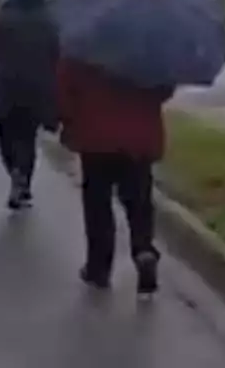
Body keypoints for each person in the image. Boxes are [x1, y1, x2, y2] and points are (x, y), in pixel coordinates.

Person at [56, 57, 170, 297]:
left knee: (98, 202)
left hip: (96, 136)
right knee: (139, 198)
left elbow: (64, 89)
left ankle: (98, 268)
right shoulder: (149, 50)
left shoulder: (85, 48)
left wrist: (67, 118)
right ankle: (143, 249)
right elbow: (164, 90)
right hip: (139, 137)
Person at [0, 0, 58, 210]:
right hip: (37, 87)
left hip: (6, 86)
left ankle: (15, 171)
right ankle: (22, 177)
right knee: (27, 136)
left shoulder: (5, 18)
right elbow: (56, 53)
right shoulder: (49, 22)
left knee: (7, 135)